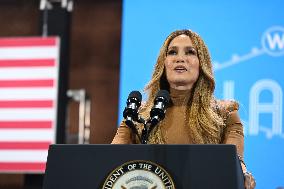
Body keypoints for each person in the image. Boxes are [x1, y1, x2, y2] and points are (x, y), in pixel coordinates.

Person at [112, 29, 256, 188]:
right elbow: (110, 162)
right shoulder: (138, 115)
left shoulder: (225, 113)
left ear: (202, 63)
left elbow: (235, 163)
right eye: (172, 52)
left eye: (190, 52)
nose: (180, 58)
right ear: (163, 63)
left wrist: (244, 176)